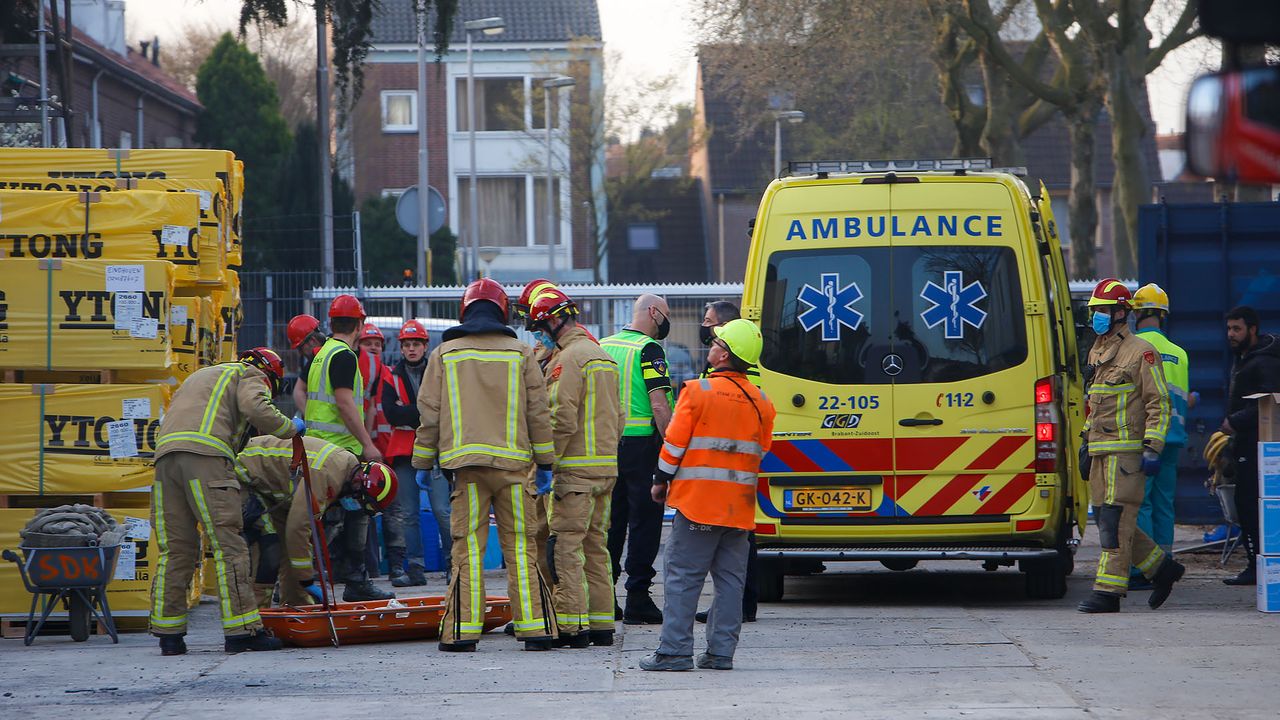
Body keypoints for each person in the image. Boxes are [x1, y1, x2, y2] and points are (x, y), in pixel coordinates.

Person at [413, 278, 559, 652]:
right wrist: (545, 463)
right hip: (514, 470)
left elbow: (429, 414)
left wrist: (422, 461)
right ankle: (536, 628)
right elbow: (538, 415)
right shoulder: (523, 353)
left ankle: (461, 631)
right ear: (502, 311)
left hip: (466, 471)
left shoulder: (444, 354)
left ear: (465, 310)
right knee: (522, 548)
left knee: (468, 551)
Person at [640, 319, 776, 672]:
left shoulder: (697, 392)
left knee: (683, 577)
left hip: (698, 504)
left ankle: (674, 652)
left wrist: (660, 480)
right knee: (731, 582)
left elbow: (674, 443)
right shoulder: (762, 402)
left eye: (716, 341)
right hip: (740, 509)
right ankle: (720, 654)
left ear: (725, 354)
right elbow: (761, 450)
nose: (711, 345)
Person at [149, 348, 302, 655]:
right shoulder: (248, 373)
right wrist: (290, 428)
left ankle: (169, 634)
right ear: (269, 374)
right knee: (228, 544)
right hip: (206, 459)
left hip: (165, 460)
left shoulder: (201, 376)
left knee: (176, 549)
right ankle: (242, 631)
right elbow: (255, 408)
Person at [1077, 279, 1184, 613]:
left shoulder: (1142, 352)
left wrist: (1152, 446)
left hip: (1127, 453)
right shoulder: (1097, 350)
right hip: (1100, 449)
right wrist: (1085, 441)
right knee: (1111, 520)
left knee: (1115, 518)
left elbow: (1159, 404)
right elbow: (1094, 403)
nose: (1097, 317)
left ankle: (1108, 592)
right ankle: (1163, 569)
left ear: (1122, 312)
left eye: (1103, 311)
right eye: (1095, 311)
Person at [527, 285, 623, 648]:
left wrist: (544, 463)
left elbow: (561, 417)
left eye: (538, 328)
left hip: (574, 473)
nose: (538, 336)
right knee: (597, 547)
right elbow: (619, 417)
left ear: (552, 321)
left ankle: (570, 627)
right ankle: (601, 626)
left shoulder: (568, 360)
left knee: (564, 548)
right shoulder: (602, 356)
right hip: (605, 470)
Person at [237, 436, 397, 606]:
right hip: (243, 475)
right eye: (359, 501)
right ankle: (257, 615)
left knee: (291, 548)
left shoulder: (345, 472)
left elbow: (299, 540)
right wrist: (307, 581)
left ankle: (296, 604)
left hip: (271, 490)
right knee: (269, 547)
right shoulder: (327, 474)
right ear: (357, 483)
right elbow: (298, 529)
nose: (354, 506)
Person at [304, 294, 392, 602]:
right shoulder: (343, 355)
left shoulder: (320, 354)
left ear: (330, 322)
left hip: (317, 448)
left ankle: (301, 580)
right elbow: (344, 402)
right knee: (356, 513)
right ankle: (354, 580)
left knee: (325, 518)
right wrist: (368, 444)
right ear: (360, 324)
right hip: (339, 451)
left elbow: (305, 393)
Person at [602, 294, 674, 625]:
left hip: (604, 446)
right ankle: (638, 598)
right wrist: (674, 447)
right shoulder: (648, 350)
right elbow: (659, 404)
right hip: (642, 447)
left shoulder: (603, 345)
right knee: (644, 523)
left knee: (610, 524)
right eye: (665, 316)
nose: (666, 323)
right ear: (653, 312)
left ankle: (604, 599)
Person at [693, 300, 762, 624]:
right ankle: (735, 603)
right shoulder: (723, 363)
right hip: (730, 459)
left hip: (736, 460)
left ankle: (741, 603)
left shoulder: (745, 366)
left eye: (710, 322)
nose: (705, 327)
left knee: (739, 539)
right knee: (736, 538)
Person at [1128, 284, 1192, 589]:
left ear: (1137, 313)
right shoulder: (1180, 353)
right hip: (1174, 437)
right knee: (1165, 503)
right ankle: (1164, 565)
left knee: (1141, 503)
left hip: (1145, 439)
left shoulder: (1134, 348)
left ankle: (1144, 569)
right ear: (1163, 315)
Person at [381, 320, 445, 587]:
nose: (411, 349)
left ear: (425, 345)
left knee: (443, 510)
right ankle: (416, 568)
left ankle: (456, 564)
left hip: (436, 448)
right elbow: (392, 414)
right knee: (408, 513)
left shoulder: (439, 371)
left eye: (415, 344)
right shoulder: (391, 376)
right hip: (405, 452)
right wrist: (423, 414)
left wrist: (409, 411)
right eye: (406, 345)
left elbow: (443, 409)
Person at [1220, 306, 1280, 585]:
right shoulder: (1245, 358)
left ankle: (1258, 565)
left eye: (1237, 329)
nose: (1231, 334)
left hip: (1260, 447)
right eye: (1229, 329)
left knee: (1250, 504)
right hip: (1245, 444)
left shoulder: (1263, 362)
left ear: (1252, 330)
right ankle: (1254, 563)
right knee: (1244, 504)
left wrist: (1235, 421)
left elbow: (1268, 404)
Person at [287, 313, 325, 413]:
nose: (300, 354)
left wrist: (310, 419)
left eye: (300, 348)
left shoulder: (316, 358)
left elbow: (298, 392)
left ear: (312, 341)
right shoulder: (336, 348)